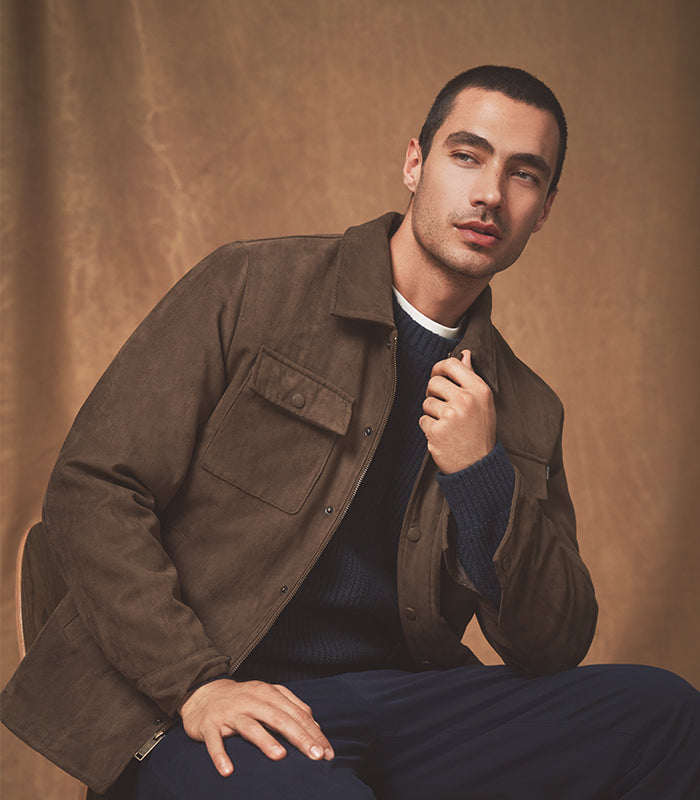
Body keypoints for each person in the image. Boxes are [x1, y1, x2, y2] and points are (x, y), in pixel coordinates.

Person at [2, 65, 699, 799]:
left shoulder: (525, 407)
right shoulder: (252, 286)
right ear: (414, 163)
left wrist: (483, 479)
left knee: (666, 715)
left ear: (544, 208)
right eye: (467, 155)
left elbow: (554, 643)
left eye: (524, 175)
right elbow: (93, 490)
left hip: (402, 702)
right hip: (209, 701)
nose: (491, 193)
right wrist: (195, 685)